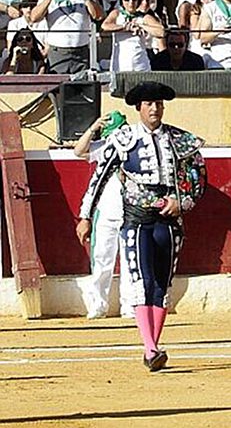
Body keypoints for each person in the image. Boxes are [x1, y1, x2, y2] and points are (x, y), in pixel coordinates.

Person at [76, 82, 207, 371]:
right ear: (139, 108)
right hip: (136, 220)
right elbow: (98, 178)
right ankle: (150, 348)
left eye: (159, 103)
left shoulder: (179, 139)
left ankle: (154, 344)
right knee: (142, 282)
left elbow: (199, 178)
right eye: (149, 104)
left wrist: (182, 201)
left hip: (169, 220)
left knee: (162, 284)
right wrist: (86, 216)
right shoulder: (124, 139)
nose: (155, 108)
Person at [72, 111, 132, 319]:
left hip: (131, 214)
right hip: (106, 213)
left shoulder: (134, 146)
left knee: (130, 262)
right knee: (101, 261)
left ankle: (130, 305)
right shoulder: (105, 147)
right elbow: (78, 151)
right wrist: (92, 129)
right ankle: (98, 305)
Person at [30, 0, 102, 74]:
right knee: (57, 88)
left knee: (83, 88)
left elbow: (98, 16)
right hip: (58, 51)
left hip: (81, 52)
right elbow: (34, 18)